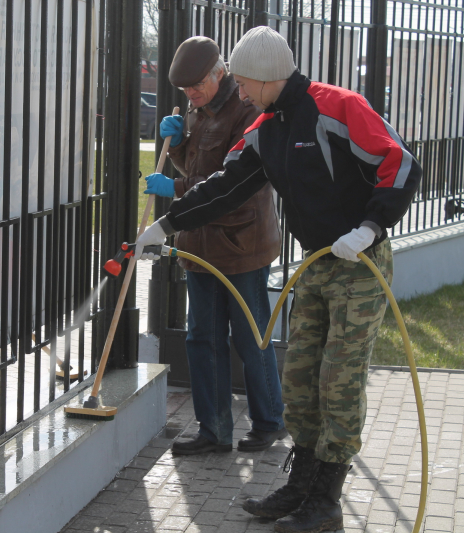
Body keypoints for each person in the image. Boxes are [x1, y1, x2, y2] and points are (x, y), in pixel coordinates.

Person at [135, 26, 422, 533]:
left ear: (269, 76)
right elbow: (228, 185)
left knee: (339, 381)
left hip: (360, 262)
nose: (239, 91)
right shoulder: (266, 127)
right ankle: (301, 483)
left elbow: (400, 163)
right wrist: (169, 222)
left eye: (244, 82)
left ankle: (327, 501)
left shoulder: (338, 107)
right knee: (301, 378)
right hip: (316, 264)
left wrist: (371, 226)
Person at [144, 36, 288, 455]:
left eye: (197, 87)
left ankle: (269, 422)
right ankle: (214, 430)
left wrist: (176, 186)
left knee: (250, 337)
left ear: (219, 73)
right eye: (186, 90)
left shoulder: (245, 109)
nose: (191, 95)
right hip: (200, 249)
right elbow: (196, 165)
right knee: (202, 339)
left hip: (241, 245)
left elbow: (232, 184)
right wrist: (180, 145)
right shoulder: (197, 110)